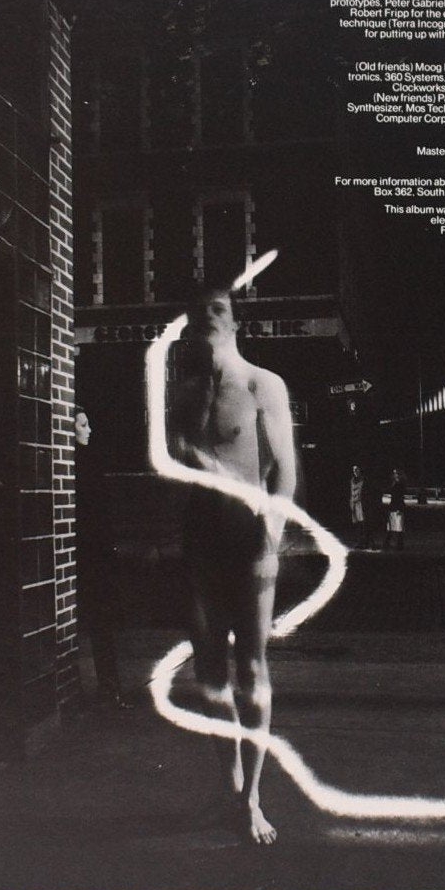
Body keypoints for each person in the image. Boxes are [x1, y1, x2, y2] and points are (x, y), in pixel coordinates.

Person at [167, 285, 296, 845]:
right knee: (209, 673)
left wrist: (272, 533)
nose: (207, 320)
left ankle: (252, 799)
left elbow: (284, 468)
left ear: (237, 322)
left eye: (218, 310)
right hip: (200, 544)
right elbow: (173, 467)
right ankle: (231, 785)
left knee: (251, 666)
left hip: (249, 543)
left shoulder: (262, 385)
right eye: (198, 313)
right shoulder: (183, 393)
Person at [74, 404, 126, 706]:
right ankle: (108, 689)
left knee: (100, 622)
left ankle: (109, 688)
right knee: (99, 621)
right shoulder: (81, 468)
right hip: (91, 554)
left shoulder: (87, 464)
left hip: (94, 554)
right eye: (82, 425)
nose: (89, 430)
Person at [383, 467, 407, 550]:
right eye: (394, 473)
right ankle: (389, 543)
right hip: (393, 505)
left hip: (398, 506)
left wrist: (399, 508)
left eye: (397, 473)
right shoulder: (394, 483)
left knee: (399, 526)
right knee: (391, 525)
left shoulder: (400, 484)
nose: (395, 475)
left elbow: (399, 497)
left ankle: (399, 544)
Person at [348, 464, 369, 548]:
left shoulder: (363, 480)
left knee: (363, 523)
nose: (355, 471)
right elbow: (351, 492)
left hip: (361, 503)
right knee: (357, 524)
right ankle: (360, 542)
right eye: (354, 470)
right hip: (354, 503)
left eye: (356, 469)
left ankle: (365, 542)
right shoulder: (352, 480)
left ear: (360, 470)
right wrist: (351, 502)